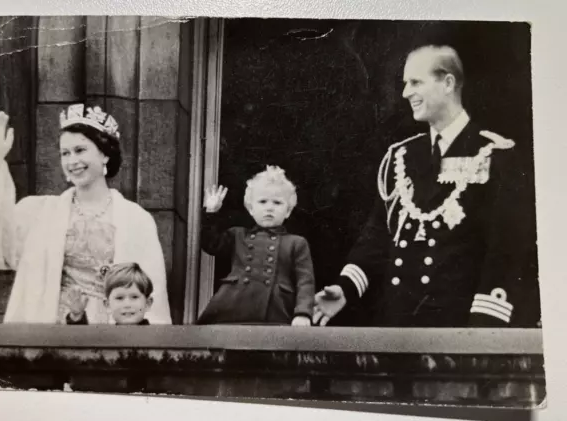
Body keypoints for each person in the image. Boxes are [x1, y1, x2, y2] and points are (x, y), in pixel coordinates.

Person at [313, 45, 532, 328]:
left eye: (415, 82)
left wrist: (484, 327)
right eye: (405, 84)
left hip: (458, 327)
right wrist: (345, 288)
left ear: (448, 83)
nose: (405, 93)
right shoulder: (401, 157)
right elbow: (378, 237)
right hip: (398, 323)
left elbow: (505, 250)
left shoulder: (495, 154)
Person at [0, 104, 172, 324]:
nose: (72, 161)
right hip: (51, 331)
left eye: (80, 150)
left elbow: (153, 296)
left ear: (105, 155)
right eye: (65, 153)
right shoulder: (38, 212)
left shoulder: (136, 220)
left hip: (112, 334)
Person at [197, 165, 315, 325]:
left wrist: (303, 313)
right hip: (232, 308)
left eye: (277, 202)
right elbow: (211, 244)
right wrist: (211, 212)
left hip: (276, 311)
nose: (269, 207)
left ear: (288, 211)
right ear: (251, 209)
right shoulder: (237, 235)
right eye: (263, 201)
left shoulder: (296, 243)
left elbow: (305, 282)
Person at [65, 262, 154, 325]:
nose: (127, 304)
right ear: (107, 305)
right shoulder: (106, 338)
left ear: (147, 303)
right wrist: (77, 317)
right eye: (119, 298)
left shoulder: (157, 338)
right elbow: (83, 346)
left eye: (134, 297)